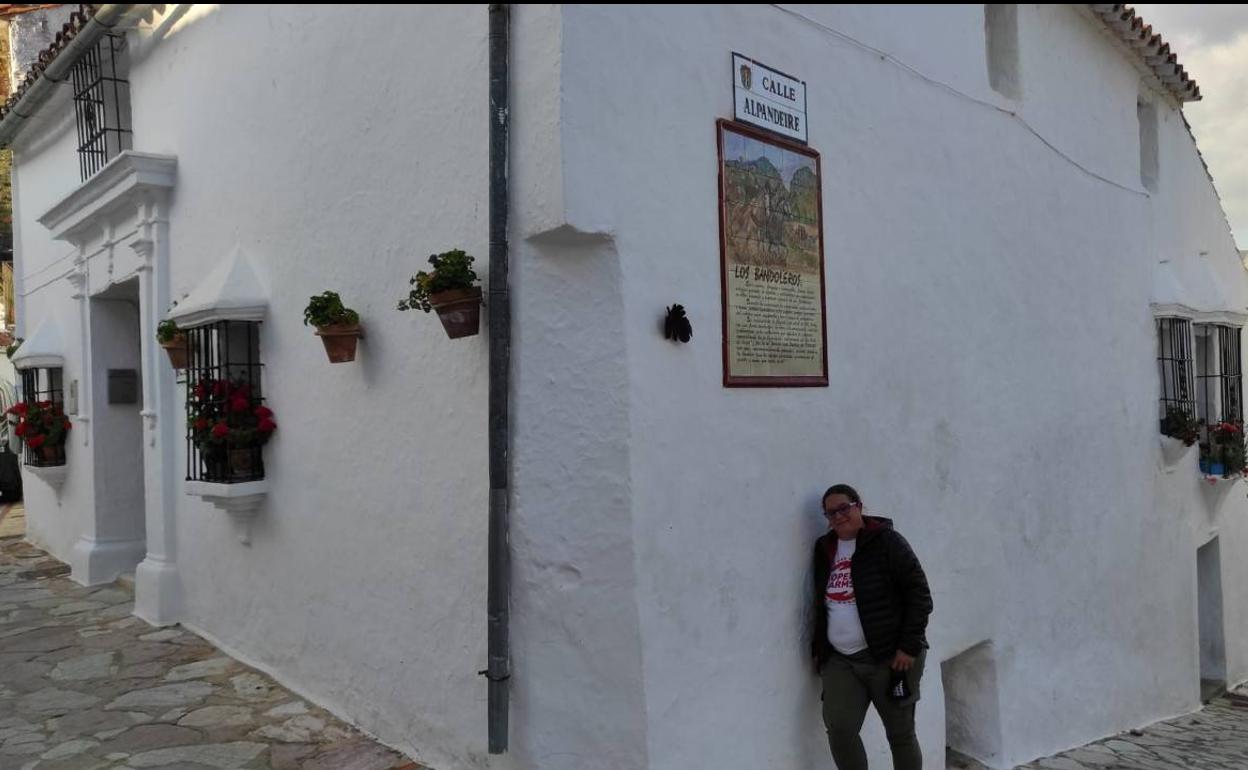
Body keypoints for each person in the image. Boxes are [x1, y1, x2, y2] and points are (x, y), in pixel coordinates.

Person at [812, 483, 933, 770]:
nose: (838, 516)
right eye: (830, 513)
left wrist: (908, 645)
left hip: (890, 657)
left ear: (859, 506)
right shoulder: (825, 548)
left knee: (900, 734)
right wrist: (819, 647)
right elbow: (819, 601)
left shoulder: (887, 542)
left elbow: (919, 594)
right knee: (840, 729)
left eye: (844, 508)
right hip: (841, 660)